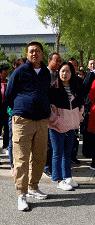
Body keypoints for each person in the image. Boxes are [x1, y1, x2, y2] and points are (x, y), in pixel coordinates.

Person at [5, 41, 51, 211]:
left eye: (37, 51)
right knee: (22, 159)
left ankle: (33, 186)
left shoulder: (46, 72)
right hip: (23, 120)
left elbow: (47, 93)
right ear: (26, 54)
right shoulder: (20, 71)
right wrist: (17, 110)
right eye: (31, 51)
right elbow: (9, 94)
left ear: (42, 54)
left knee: (39, 157)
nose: (34, 54)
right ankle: (21, 194)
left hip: (41, 121)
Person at [48, 62, 84, 191]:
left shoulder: (75, 87)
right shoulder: (53, 88)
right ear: (59, 72)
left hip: (71, 126)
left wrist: (79, 116)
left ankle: (67, 177)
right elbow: (49, 109)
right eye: (62, 71)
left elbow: (80, 105)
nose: (65, 74)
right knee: (57, 153)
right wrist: (56, 120)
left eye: (67, 71)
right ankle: (58, 179)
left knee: (67, 153)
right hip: (56, 126)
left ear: (71, 73)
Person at [44, 52, 62, 177]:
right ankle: (46, 166)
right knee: (48, 142)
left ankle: (52, 165)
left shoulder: (57, 74)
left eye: (60, 61)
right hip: (46, 110)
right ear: (50, 60)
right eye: (57, 60)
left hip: (55, 111)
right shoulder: (45, 74)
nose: (59, 63)